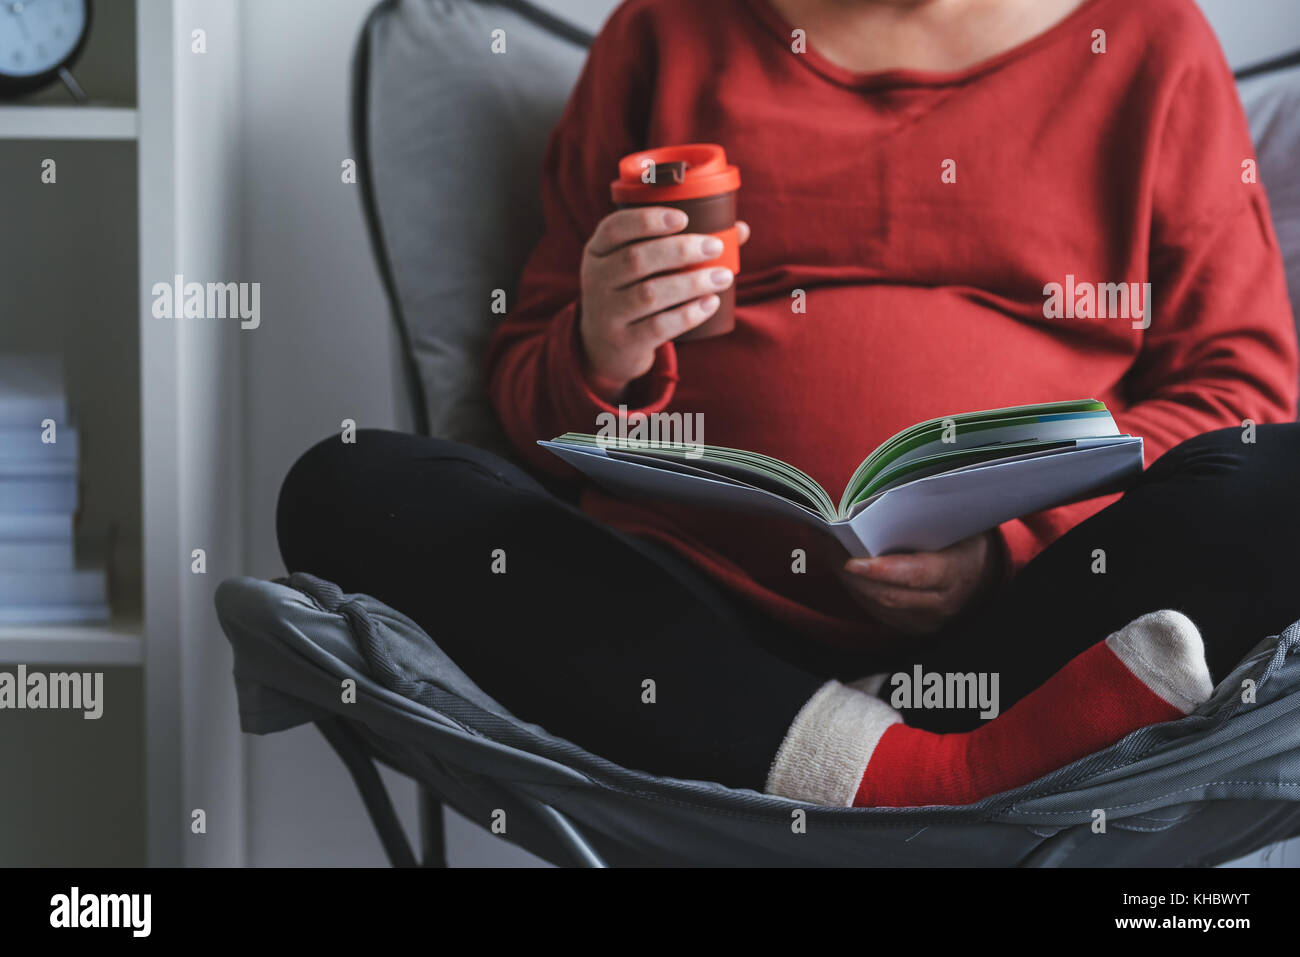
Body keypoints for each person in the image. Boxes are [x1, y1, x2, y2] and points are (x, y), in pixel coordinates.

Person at [277, 0, 1299, 806]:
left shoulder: (1152, 41)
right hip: (680, 615)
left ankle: (844, 761)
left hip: (1026, 630)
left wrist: (1015, 539)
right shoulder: (665, 33)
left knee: (1280, 479)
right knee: (352, 486)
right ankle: (919, 776)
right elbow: (524, 413)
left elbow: (1242, 387)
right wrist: (600, 345)